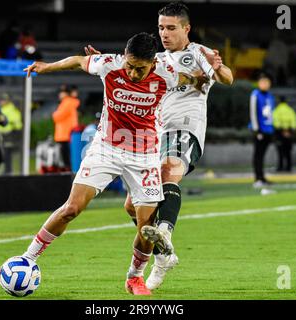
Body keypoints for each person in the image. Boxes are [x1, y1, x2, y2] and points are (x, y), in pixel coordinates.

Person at [0, 32, 208, 296]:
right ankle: (28, 258)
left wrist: (202, 79)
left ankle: (135, 277)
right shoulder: (109, 64)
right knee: (71, 208)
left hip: (144, 156)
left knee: (147, 226)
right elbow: (76, 60)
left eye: (139, 69)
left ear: (153, 63)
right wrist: (46, 67)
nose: (131, 73)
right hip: (106, 149)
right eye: (129, 65)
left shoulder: (167, 73)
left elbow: (190, 79)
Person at [84, 1, 233, 291]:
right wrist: (107, 61)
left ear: (186, 28)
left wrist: (218, 67)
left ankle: (164, 232)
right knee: (132, 205)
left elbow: (227, 78)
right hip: (153, 134)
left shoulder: (197, 53)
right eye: (161, 27)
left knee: (169, 169)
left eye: (171, 28)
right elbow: (127, 71)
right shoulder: (157, 59)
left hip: (184, 127)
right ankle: (164, 255)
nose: (164, 33)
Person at [250, 73, 275, 188]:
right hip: (260, 130)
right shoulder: (255, 95)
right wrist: (257, 130)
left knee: (262, 155)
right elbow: (253, 112)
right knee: (258, 155)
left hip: (268, 129)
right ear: (259, 83)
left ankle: (262, 177)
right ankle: (257, 178)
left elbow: (271, 114)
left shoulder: (270, 96)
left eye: (267, 82)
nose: (265, 84)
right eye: (263, 82)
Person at [52, 85, 80, 171]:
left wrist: (54, 114)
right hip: (65, 134)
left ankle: (69, 173)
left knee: (68, 157)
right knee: (67, 157)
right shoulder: (67, 102)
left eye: (62, 93)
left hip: (66, 134)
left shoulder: (67, 102)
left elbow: (57, 116)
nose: (60, 95)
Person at [0, 93, 23, 174]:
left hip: (9, 136)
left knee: (7, 155)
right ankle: (6, 170)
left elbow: (17, 124)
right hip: (2, 135)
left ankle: (8, 171)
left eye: (3, 100)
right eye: (1, 100)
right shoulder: (3, 109)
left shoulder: (11, 109)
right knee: (4, 155)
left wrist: (12, 129)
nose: (1, 102)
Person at [273, 96, 296, 172]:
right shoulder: (290, 110)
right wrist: (289, 131)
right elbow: (294, 123)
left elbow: (275, 122)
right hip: (289, 133)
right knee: (288, 152)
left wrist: (282, 131)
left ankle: (280, 167)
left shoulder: (277, 110)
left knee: (280, 151)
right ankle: (288, 167)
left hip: (279, 134)